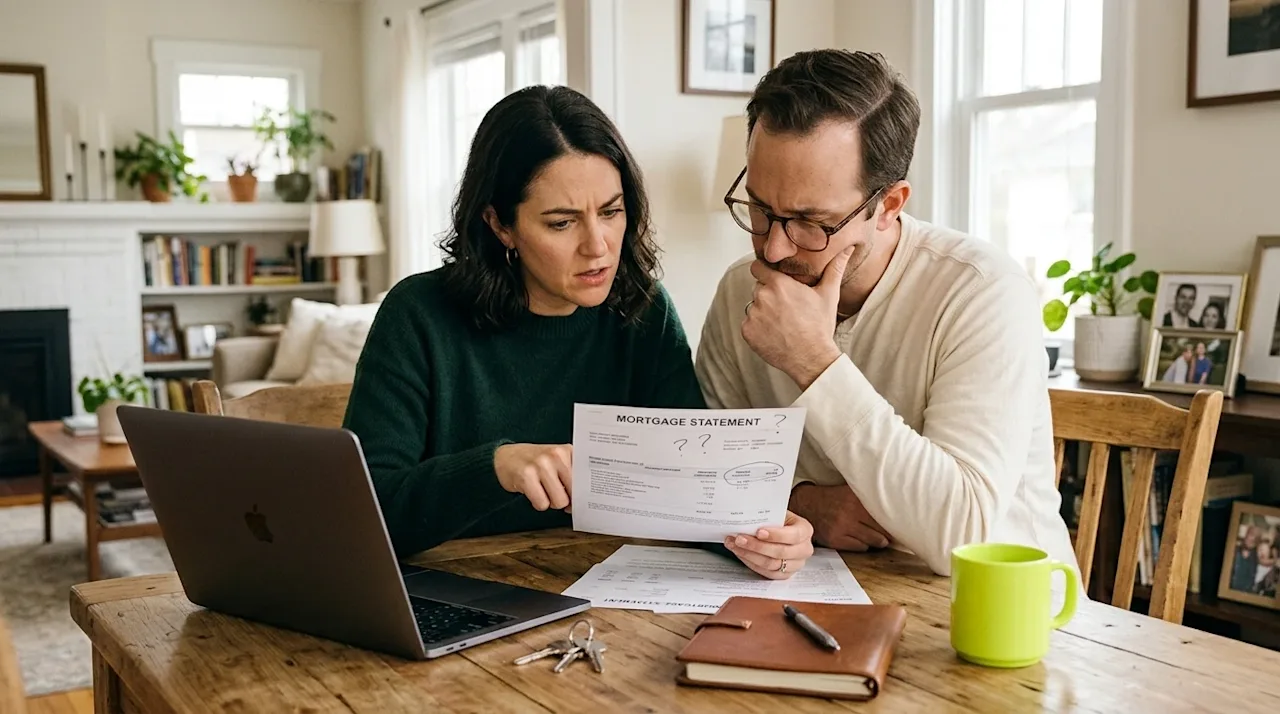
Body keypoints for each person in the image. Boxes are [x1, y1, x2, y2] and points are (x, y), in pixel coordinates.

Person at [342, 85, 815, 580]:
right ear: (501, 225)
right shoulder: (418, 315)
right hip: (447, 593)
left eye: (611, 212)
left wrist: (760, 535)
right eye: (562, 222)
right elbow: (362, 516)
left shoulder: (644, 313)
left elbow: (690, 495)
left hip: (595, 592)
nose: (598, 247)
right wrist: (495, 468)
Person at [694, 49, 1078, 577]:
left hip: (1004, 619)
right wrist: (809, 504)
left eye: (812, 222)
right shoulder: (741, 287)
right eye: (760, 210)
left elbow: (960, 534)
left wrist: (814, 362)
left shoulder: (983, 291)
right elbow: (713, 474)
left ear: (890, 204)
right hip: (818, 596)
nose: (776, 249)